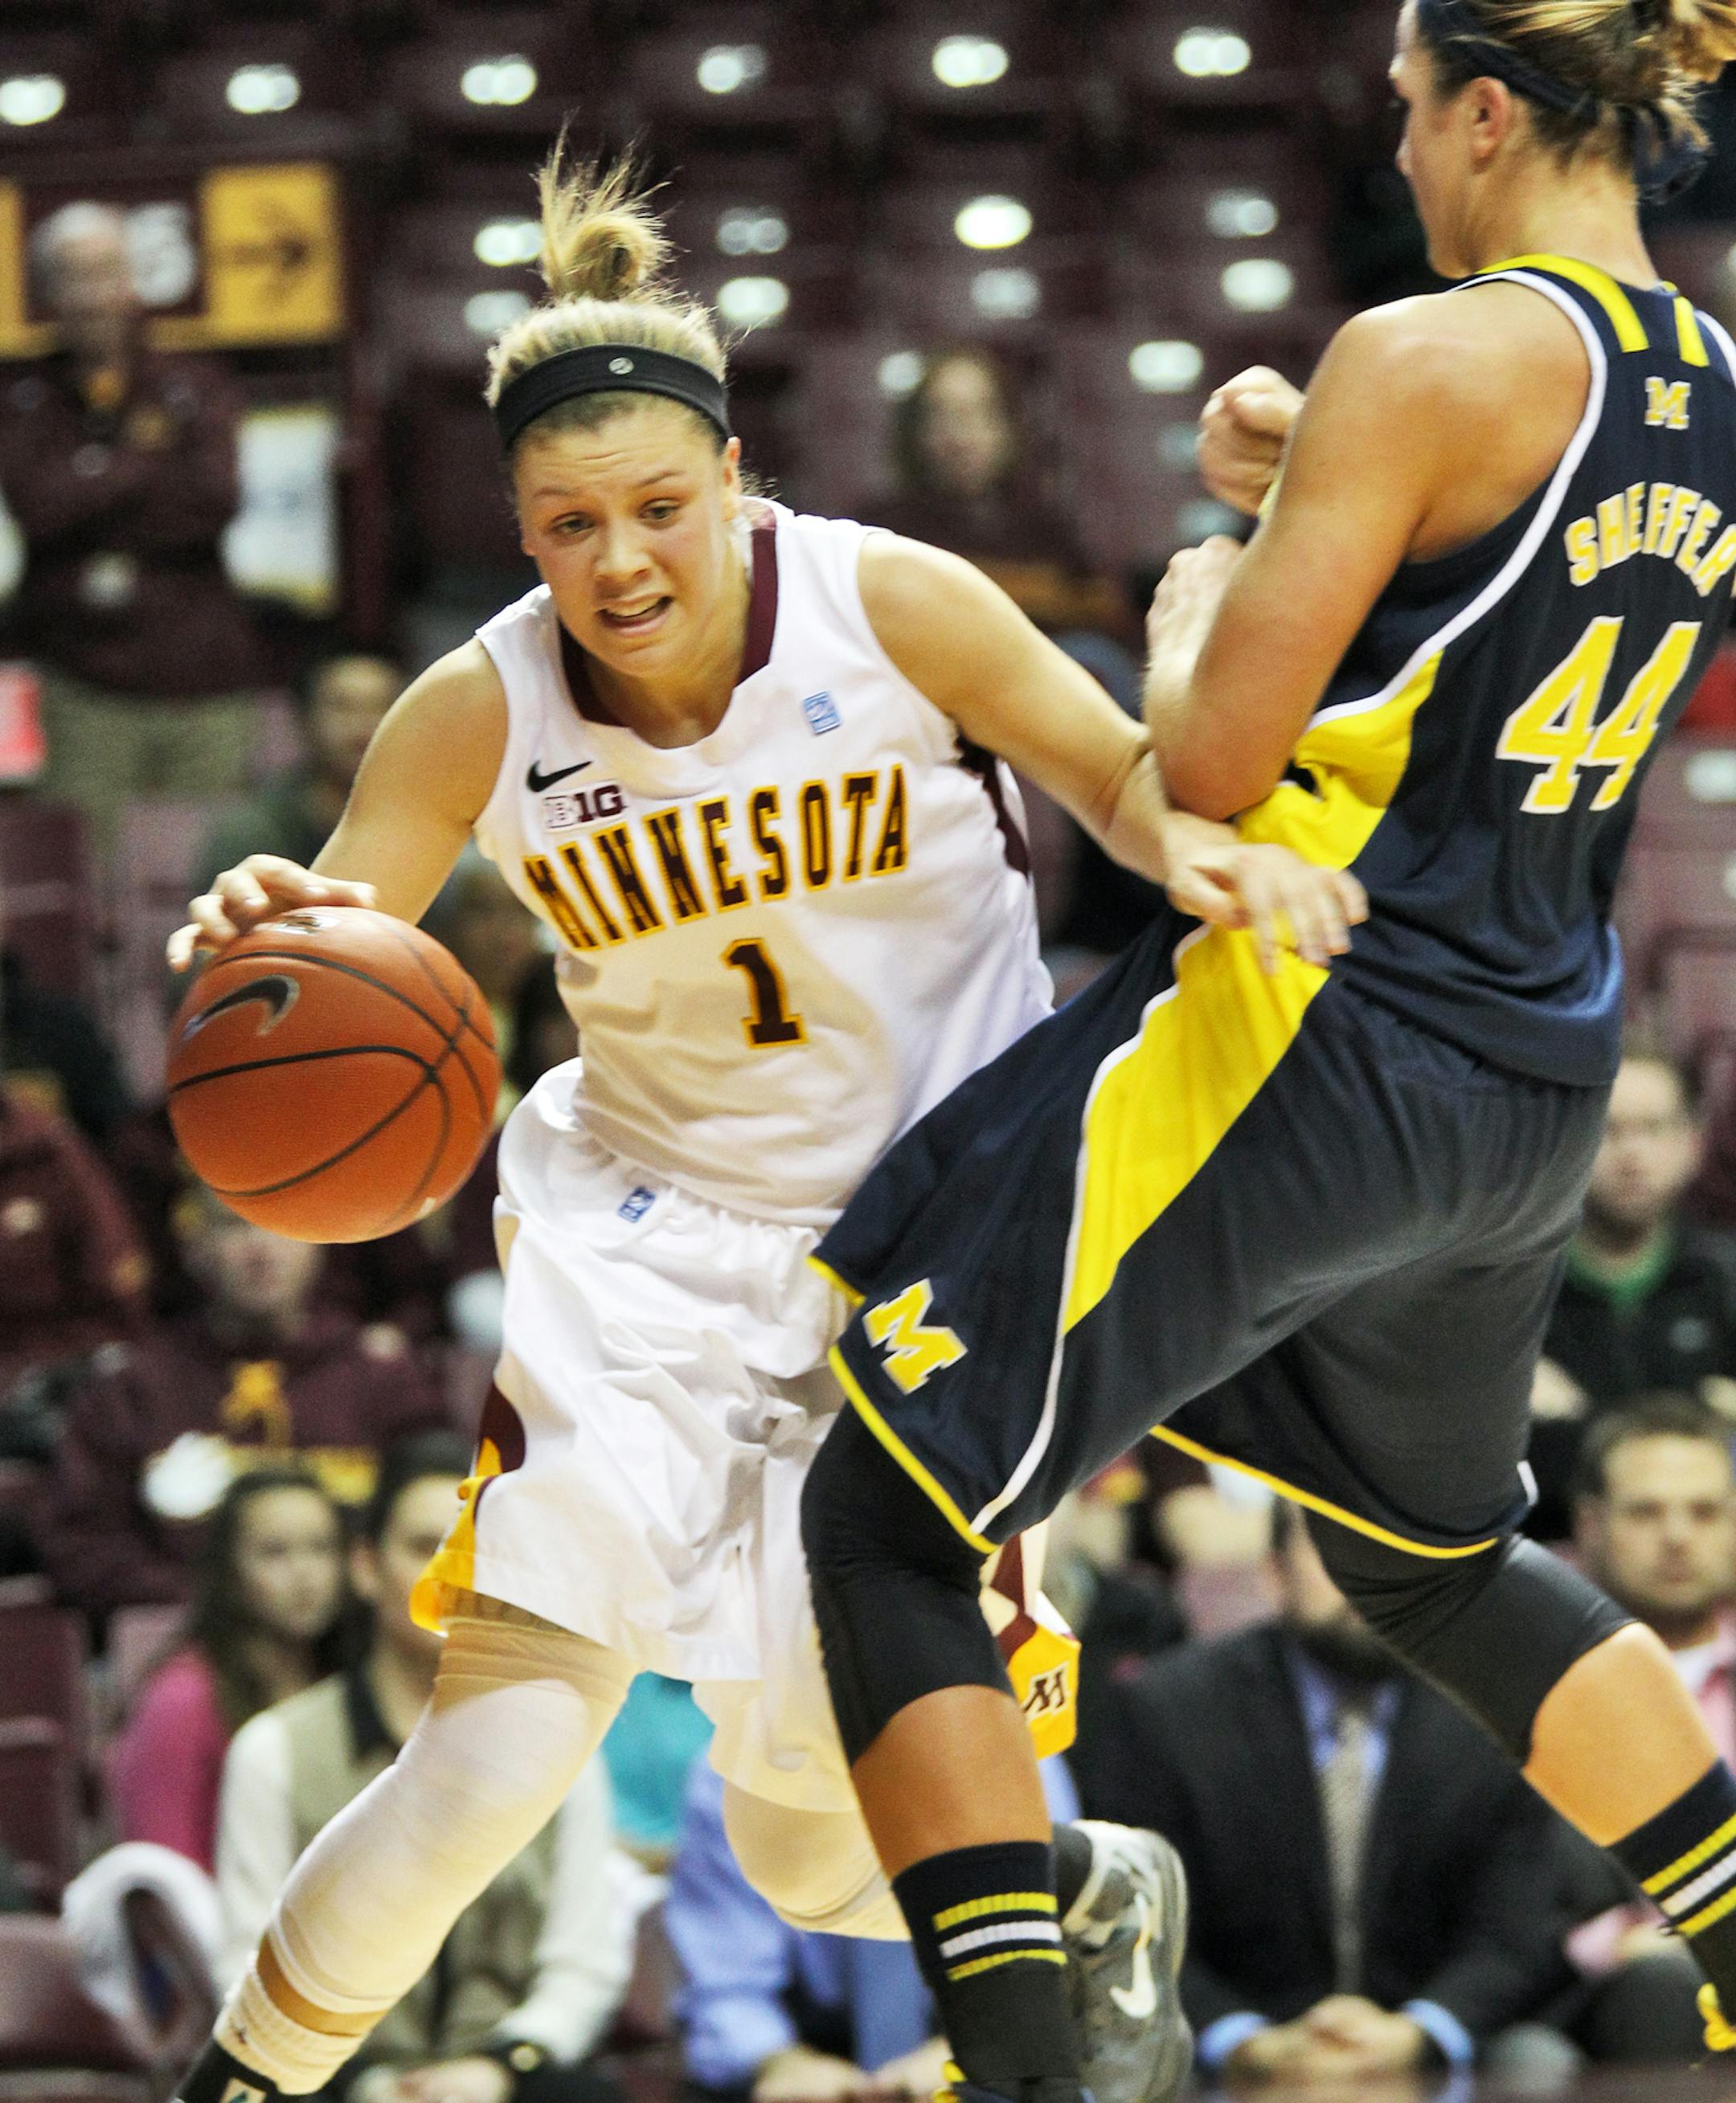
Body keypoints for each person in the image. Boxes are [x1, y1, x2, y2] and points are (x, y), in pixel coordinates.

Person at [163, 146, 1359, 2103]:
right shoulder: (478, 706)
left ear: (731, 479)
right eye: (566, 525)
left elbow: (1119, 780)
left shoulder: (891, 601)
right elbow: (333, 941)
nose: (617, 560)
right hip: (642, 1234)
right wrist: (260, 930)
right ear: (520, 529)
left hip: (930, 1250)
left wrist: (1209, 861)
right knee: (492, 1744)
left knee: (819, 1854)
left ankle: (1069, 1880)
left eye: (653, 507)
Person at [798, 5, 1736, 2098]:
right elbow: (1489, 612)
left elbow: (1206, 767)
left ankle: (1025, 2073)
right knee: (1441, 1561)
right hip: (1534, 1071)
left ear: (1489, 110)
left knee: (884, 1514)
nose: (1401, 156)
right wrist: (1320, 477)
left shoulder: (1430, 353)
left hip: (1317, 1023)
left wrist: (1214, 560)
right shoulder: (1714, 379)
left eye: (1411, 114)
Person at [1091, 1504, 1574, 2087]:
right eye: (1336, 1551)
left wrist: (1420, 2031)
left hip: (1439, 2031)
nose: (1366, 1577)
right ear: (1274, 1573)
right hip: (1229, 2040)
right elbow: (1138, 1923)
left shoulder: (1492, 1707)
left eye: (1389, 1553)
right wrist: (1243, 2038)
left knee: (1540, 2061)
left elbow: (1516, 1928)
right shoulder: (1168, 1711)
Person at [217, 1434, 629, 2103]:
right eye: (424, 1544)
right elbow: (245, 1964)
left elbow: (582, 1965)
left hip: (503, 2076)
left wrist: (498, 2067)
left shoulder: (565, 1753)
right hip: (325, 2083)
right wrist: (365, 2082)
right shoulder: (275, 1750)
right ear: (365, 1565)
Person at [40, 1180, 444, 1625]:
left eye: (283, 1226)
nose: (262, 1251)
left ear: (320, 1241)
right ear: (194, 1247)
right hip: (191, 1641)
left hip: (361, 1636)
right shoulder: (135, 1386)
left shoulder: (381, 1376)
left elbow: (441, 1523)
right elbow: (81, 1542)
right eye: (236, 1226)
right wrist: (216, 1605)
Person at [0, 203, 264, 857]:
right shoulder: (24, 397)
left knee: (212, 869)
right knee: (91, 874)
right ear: (48, 293)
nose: (92, 295)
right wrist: (144, 458)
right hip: (82, 682)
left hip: (202, 679)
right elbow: (38, 507)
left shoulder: (192, 385)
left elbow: (213, 502)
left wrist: (93, 482)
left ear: (133, 279)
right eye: (73, 276)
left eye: (105, 271)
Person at [669, 1755, 1079, 2103]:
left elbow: (1047, 1961)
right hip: (807, 2055)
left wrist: (977, 2047)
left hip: (971, 2045)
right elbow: (723, 1982)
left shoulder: (1015, 1751)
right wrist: (774, 2060)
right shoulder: (736, 1766)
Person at [1555, 1396, 1736, 2063]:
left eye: (1705, 1510)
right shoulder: (1528, 1669)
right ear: (1590, 1522)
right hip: (1576, 1987)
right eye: (1646, 1511)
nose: (1678, 1535)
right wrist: (1611, 1939)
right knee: (1664, 1985)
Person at [1529, 1045, 1736, 1532]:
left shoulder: (1725, 1281)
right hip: (1552, 1553)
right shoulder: (1512, 1293)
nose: (1633, 1156)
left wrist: (1577, 1422)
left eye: (1654, 1129)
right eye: (1608, 1131)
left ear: (1693, 1143)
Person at [108, 1467, 352, 1874]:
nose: (304, 1573)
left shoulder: (351, 1679)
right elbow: (165, 1884)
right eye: (275, 1552)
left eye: (321, 1548)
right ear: (230, 1572)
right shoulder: (183, 1700)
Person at [198, 653, 403, 893]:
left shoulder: (427, 821)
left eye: (381, 706)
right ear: (305, 720)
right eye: (343, 706)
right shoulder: (252, 831)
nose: (363, 724)